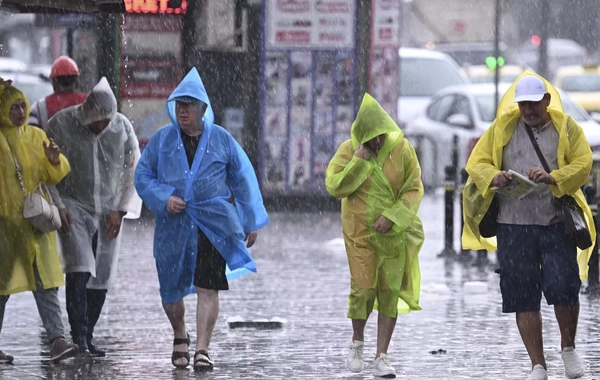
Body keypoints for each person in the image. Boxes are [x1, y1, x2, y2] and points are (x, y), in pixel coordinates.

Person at [462, 73, 595, 380]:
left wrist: (554, 178)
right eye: (523, 105)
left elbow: (582, 163)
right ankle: (538, 364)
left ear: (547, 101)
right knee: (522, 295)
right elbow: (477, 162)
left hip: (554, 223)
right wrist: (493, 177)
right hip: (513, 226)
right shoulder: (503, 128)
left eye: (534, 105)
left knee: (564, 288)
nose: (528, 111)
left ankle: (568, 347)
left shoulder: (566, 128)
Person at [134, 68, 268, 372]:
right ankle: (179, 333)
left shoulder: (221, 140)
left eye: (189, 104)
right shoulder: (162, 140)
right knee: (171, 289)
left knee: (209, 286)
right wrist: (164, 198)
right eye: (179, 104)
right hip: (173, 226)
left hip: (212, 224)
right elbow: (143, 175)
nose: (183, 110)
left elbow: (242, 179)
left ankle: (202, 349)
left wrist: (250, 219)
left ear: (203, 108)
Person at [325, 94, 425, 378]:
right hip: (359, 233)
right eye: (372, 137)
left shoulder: (403, 150)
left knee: (388, 291)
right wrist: (358, 162)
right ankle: (358, 343)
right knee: (363, 289)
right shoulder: (349, 150)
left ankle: (382, 355)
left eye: (381, 135)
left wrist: (393, 216)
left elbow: (413, 188)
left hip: (393, 233)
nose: (378, 142)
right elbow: (335, 187)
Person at [46, 77, 142, 356]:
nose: (102, 126)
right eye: (97, 120)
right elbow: (45, 168)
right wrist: (58, 205)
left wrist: (120, 209)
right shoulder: (60, 124)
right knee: (79, 268)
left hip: (109, 207)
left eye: (106, 120)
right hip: (73, 204)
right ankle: (79, 336)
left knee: (102, 274)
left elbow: (133, 169)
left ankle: (88, 334)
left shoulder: (121, 126)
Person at [0, 81, 79, 364]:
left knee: (45, 284)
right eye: (13, 107)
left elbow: (52, 176)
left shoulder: (35, 136)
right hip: (5, 231)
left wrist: (54, 161)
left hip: (36, 226)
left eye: (23, 105)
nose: (20, 112)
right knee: (1, 289)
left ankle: (57, 340)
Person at [29, 56, 88, 130]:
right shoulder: (89, 101)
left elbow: (31, 135)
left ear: (53, 84)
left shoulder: (39, 107)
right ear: (77, 83)